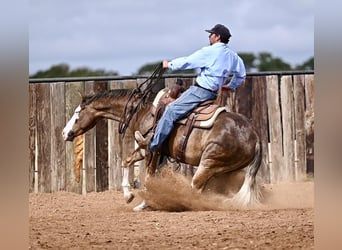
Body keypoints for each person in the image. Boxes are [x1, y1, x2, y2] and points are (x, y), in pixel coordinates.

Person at [135, 24, 246, 152]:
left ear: (217, 37)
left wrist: (169, 65)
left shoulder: (209, 51)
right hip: (214, 94)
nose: (209, 36)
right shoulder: (233, 56)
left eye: (211, 34)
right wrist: (231, 86)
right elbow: (241, 75)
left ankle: (151, 145)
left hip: (200, 92)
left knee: (171, 110)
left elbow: (188, 61)